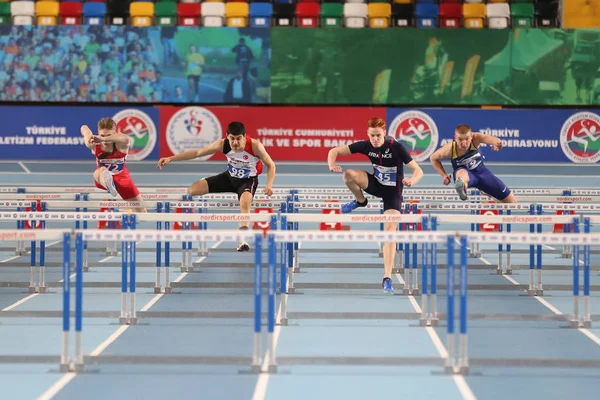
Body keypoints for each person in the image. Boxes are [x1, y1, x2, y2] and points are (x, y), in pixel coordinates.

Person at [327, 117, 424, 294]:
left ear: (384, 133)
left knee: (389, 231)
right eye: (372, 136)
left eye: (378, 136)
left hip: (392, 194)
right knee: (348, 174)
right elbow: (334, 151)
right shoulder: (366, 145)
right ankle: (361, 201)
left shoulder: (397, 147)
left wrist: (412, 180)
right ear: (368, 134)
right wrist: (331, 164)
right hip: (375, 184)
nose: (375, 139)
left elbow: (418, 170)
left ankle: (387, 278)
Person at [157, 121, 276, 252]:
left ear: (244, 136)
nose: (235, 143)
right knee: (192, 190)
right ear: (227, 136)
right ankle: (207, 183)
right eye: (232, 139)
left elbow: (271, 165)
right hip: (229, 177)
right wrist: (171, 158)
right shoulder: (223, 144)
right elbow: (197, 152)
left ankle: (242, 240)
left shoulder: (255, 146)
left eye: (238, 139)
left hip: (247, 181)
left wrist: (268, 185)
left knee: (245, 202)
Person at [429, 124, 517, 203]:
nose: (464, 143)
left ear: (471, 136)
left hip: (482, 173)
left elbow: (492, 139)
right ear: (455, 138)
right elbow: (433, 158)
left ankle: (486, 190)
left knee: (512, 202)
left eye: (467, 139)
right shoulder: (449, 149)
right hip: (466, 174)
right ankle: (462, 188)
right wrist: (444, 175)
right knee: (462, 175)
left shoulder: (476, 138)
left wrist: (497, 144)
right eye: (460, 139)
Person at [80, 118, 147, 213]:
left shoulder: (121, 143)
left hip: (123, 179)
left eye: (108, 136)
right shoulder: (95, 144)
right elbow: (84, 129)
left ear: (116, 133)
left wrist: (103, 138)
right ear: (98, 133)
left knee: (142, 213)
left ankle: (120, 212)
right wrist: (88, 137)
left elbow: (126, 139)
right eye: (102, 135)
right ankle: (109, 185)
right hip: (102, 179)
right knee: (100, 171)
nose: (105, 140)